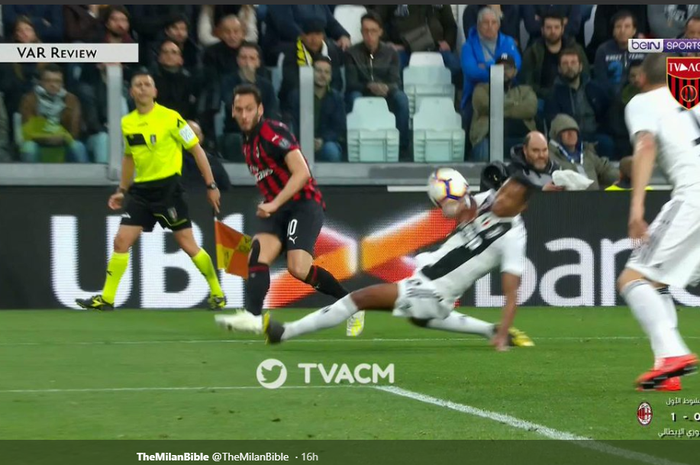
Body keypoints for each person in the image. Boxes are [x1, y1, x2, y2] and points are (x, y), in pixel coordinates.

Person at [262, 171, 536, 351]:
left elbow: (512, 292)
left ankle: (284, 332)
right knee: (422, 319)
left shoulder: (513, 236)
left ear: (522, 207)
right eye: (503, 191)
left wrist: (503, 333)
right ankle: (490, 330)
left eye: (510, 198)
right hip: (426, 273)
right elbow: (458, 213)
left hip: (434, 289)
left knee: (360, 298)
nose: (501, 199)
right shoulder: (488, 199)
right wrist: (451, 204)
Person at [215, 84, 362, 336]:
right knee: (256, 256)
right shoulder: (247, 143)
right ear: (232, 112)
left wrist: (273, 202)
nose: (244, 114)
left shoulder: (272, 131)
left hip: (303, 204)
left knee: (298, 268)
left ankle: (353, 305)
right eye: (239, 109)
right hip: (278, 209)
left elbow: (302, 172)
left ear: (260, 109)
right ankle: (252, 317)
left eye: (249, 109)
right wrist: (272, 204)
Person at [76, 70, 226, 311]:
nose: (143, 88)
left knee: (187, 244)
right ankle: (107, 299)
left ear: (155, 92)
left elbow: (197, 150)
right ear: (132, 91)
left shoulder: (172, 118)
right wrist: (122, 190)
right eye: (138, 84)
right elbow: (129, 157)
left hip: (168, 190)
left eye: (148, 84)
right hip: (142, 192)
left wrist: (211, 185)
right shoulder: (128, 122)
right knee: (121, 241)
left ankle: (217, 292)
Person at [617, 54, 699, 392]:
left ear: (640, 78)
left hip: (694, 195)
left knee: (633, 277)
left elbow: (646, 144)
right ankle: (665, 369)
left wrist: (636, 209)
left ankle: (672, 354)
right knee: (656, 281)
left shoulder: (643, 101)